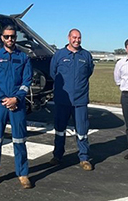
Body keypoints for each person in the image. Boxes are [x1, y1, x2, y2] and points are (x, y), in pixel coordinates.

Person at [0, 25, 33, 189]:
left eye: (13, 37)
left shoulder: (24, 58)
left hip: (17, 104)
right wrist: (5, 99)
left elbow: (27, 82)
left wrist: (16, 99)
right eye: (7, 37)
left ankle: (23, 174)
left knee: (19, 139)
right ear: (1, 38)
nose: (10, 39)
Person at [49, 28, 94, 171]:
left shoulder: (86, 55)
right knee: (60, 129)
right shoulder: (59, 55)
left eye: (79, 37)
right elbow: (53, 73)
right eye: (74, 37)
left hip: (80, 100)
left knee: (82, 130)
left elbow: (89, 72)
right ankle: (57, 156)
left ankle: (84, 158)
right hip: (63, 100)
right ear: (68, 38)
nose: (77, 40)